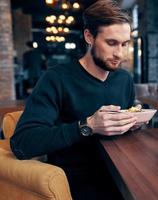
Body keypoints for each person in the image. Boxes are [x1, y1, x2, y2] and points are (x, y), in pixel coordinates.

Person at [11, 1, 138, 199]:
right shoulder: (56, 79)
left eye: (125, 44)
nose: (119, 54)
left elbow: (127, 132)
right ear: (89, 36)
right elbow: (22, 143)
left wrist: (134, 122)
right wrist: (87, 126)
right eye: (111, 43)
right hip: (78, 183)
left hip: (124, 174)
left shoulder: (124, 79)